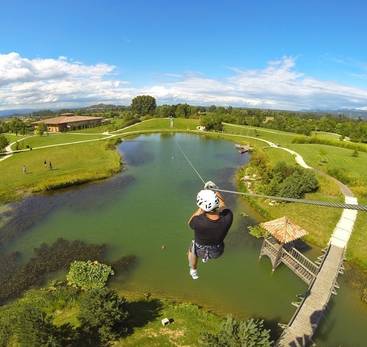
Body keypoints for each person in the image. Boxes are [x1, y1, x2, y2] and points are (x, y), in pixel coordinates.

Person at [187, 181, 233, 280]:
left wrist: (201, 207)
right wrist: (215, 190)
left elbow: (190, 222)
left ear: (201, 205)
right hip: (217, 251)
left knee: (191, 249)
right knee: (197, 246)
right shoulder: (228, 217)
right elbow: (223, 204)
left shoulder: (198, 221)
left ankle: (193, 270)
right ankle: (204, 259)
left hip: (200, 251)